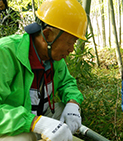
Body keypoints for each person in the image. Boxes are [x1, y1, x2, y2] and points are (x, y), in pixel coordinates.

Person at [0, 0, 88, 141]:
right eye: (70, 42)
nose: (71, 49)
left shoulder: (54, 57)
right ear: (47, 35)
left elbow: (67, 83)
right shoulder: (5, 53)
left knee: (64, 108)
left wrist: (73, 103)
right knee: (23, 138)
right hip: (13, 128)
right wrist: (35, 123)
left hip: (40, 117)